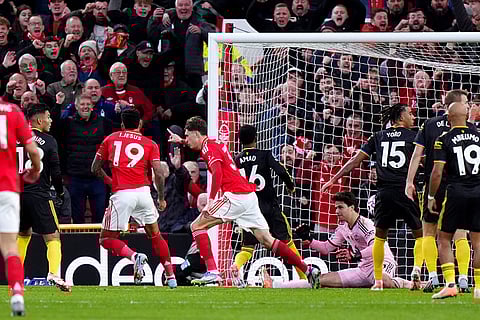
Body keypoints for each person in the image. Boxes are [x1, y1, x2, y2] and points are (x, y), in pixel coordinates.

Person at [167, 116, 319, 286]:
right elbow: (197, 146)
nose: (186, 139)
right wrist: (180, 140)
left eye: (187, 135)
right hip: (249, 197)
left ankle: (212, 271)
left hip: (235, 196)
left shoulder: (209, 148)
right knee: (267, 240)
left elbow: (217, 172)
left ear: (196, 133)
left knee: (197, 226)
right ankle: (308, 270)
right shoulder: (212, 143)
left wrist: (211, 200)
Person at [321, 104, 423, 291]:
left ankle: (377, 282)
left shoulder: (378, 136)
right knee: (420, 235)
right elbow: (423, 161)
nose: (413, 117)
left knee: (379, 238)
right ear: (400, 117)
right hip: (406, 191)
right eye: (410, 113)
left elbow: (355, 160)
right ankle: (417, 270)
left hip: (383, 194)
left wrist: (334, 179)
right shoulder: (414, 136)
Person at [91, 109, 177, 288]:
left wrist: (110, 181)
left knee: (105, 239)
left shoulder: (111, 139)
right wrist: (161, 198)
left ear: (122, 125)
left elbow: (94, 168)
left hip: (122, 194)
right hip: (144, 194)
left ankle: (134, 256)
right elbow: (159, 173)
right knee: (155, 235)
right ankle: (171, 277)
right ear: (139, 124)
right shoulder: (150, 143)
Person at [264, 192, 412, 289]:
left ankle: (409, 283)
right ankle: (275, 284)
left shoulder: (366, 224)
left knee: (383, 281)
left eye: (340, 207)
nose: (336, 211)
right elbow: (326, 248)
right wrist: (309, 239)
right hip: (363, 269)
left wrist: (355, 255)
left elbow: (376, 247)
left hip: (382, 263)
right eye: (335, 208)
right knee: (320, 280)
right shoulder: (343, 228)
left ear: (352, 208)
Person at [405, 89, 473, 293]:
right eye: (466, 103)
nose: (468, 106)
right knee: (460, 234)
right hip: (458, 186)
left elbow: (417, 155)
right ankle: (462, 278)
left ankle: (433, 277)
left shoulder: (429, 124)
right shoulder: (468, 128)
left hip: (433, 185)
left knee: (429, 231)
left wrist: (409, 181)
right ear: (457, 105)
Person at [231, 125, 305, 286]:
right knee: (287, 242)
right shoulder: (265, 155)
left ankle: (236, 265)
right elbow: (281, 171)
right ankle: (305, 277)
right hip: (269, 206)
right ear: (256, 138)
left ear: (239, 140)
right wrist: (290, 186)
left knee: (247, 249)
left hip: (249, 209)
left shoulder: (236, 160)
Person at [427, 102, 480, 300]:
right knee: (478, 241)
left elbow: (437, 172)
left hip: (456, 193)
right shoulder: (479, 136)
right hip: (478, 191)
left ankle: (450, 284)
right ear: (466, 116)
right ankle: (478, 288)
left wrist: (432, 197)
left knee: (444, 238)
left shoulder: (444, 139)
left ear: (448, 118)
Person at [16, 104, 70, 292]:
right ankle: (54, 274)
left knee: (23, 234)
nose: (51, 120)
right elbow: (55, 170)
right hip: (39, 194)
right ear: (39, 120)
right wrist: (60, 192)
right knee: (53, 236)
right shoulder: (48, 140)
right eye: (48, 117)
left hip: (17, 195)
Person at [0, 101, 41, 316]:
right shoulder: (13, 112)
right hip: (7, 187)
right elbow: (33, 151)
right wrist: (35, 170)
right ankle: (17, 293)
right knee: (9, 247)